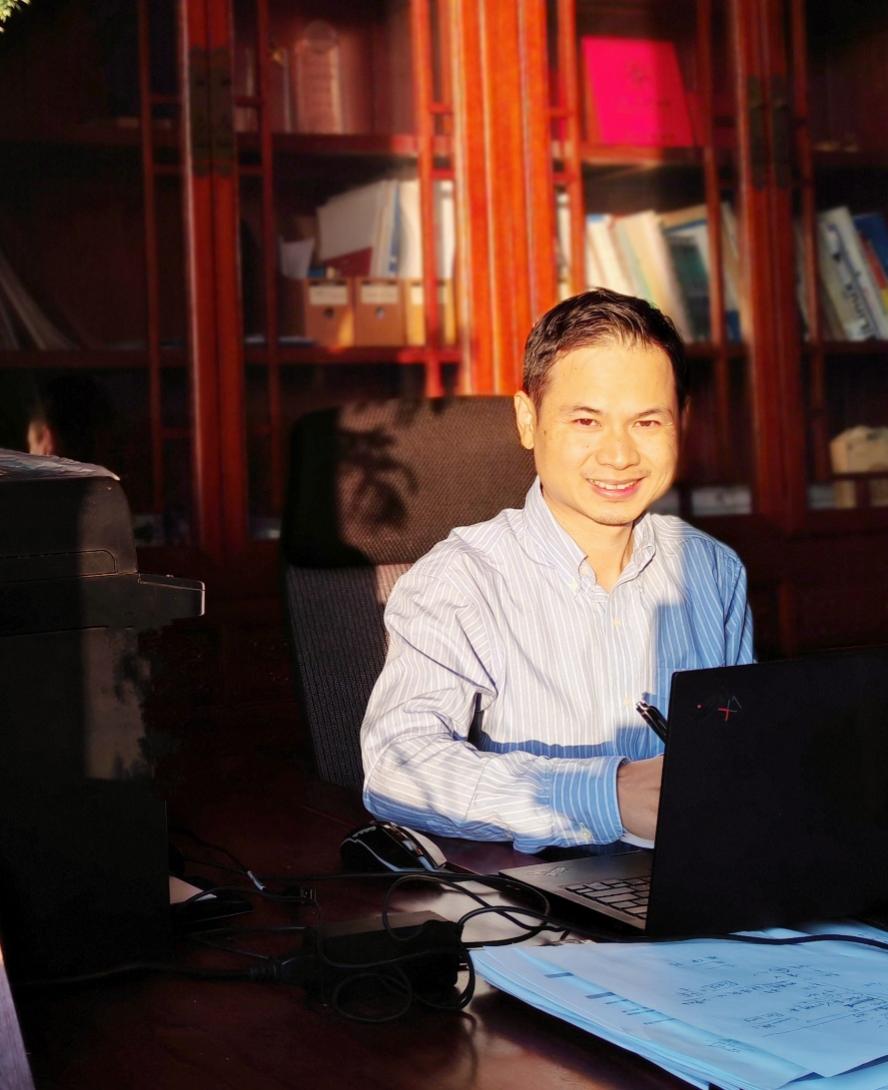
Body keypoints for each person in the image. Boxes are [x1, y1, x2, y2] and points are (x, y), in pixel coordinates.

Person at [360, 289, 754, 853]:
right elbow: (398, 769)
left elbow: (741, 747)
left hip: (697, 871)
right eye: (587, 420)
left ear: (681, 423)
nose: (619, 455)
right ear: (528, 420)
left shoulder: (712, 569)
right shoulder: (459, 581)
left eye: (647, 422)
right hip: (537, 888)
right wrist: (607, 794)